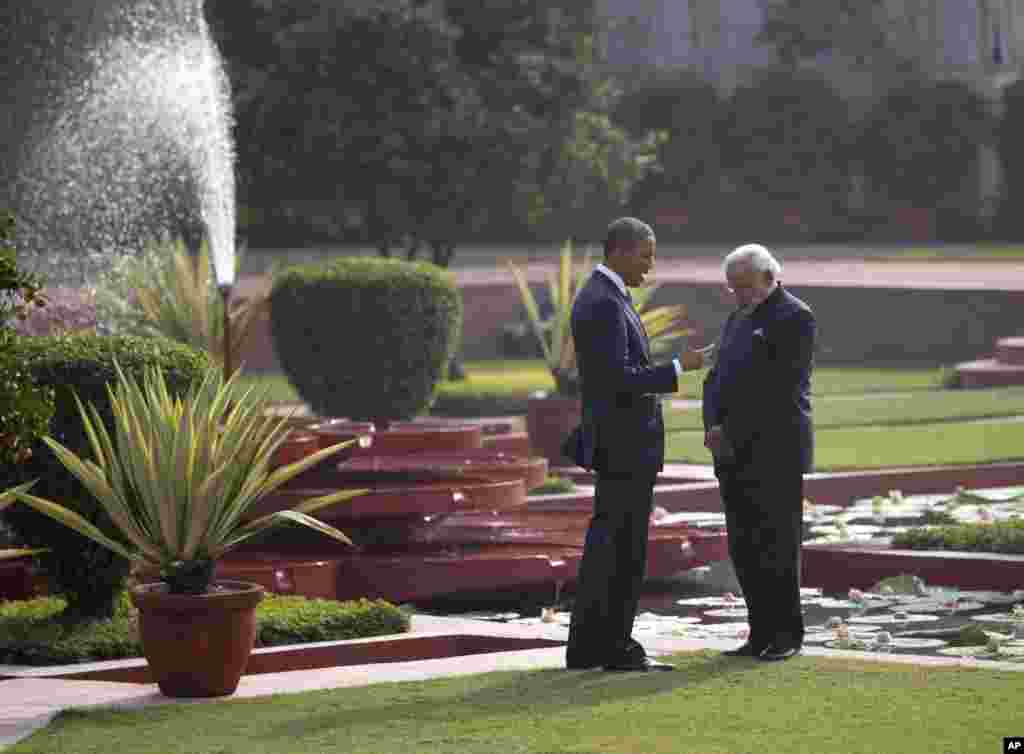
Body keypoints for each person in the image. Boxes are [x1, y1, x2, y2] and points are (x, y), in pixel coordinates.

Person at [563, 217, 712, 672]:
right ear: (621, 252)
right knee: (622, 549)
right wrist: (676, 368)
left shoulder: (605, 296)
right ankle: (613, 648)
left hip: (621, 443)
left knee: (610, 545)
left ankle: (591, 647)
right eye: (646, 254)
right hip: (624, 445)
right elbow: (617, 380)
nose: (650, 265)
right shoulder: (604, 302)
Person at [702, 243, 816, 661]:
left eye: (744, 286)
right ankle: (760, 631)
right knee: (744, 546)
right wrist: (712, 426)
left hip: (775, 449)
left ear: (770, 278)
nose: (738, 295)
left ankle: (786, 635)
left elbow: (778, 388)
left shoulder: (795, 317)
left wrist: (728, 428)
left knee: (777, 545)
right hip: (732, 452)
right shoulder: (737, 318)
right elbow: (715, 379)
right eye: (732, 288)